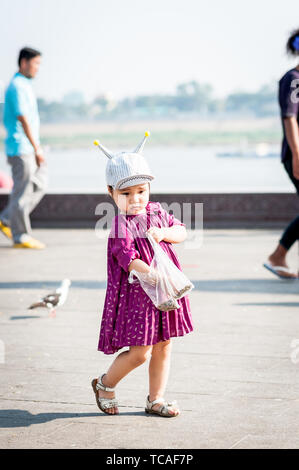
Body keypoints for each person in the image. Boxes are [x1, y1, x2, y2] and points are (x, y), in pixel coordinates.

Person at [91, 133, 193, 417]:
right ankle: (105, 384)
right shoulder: (120, 225)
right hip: (140, 296)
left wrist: (164, 233)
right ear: (110, 192)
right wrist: (150, 274)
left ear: (149, 188)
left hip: (164, 292)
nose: (135, 200)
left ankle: (156, 399)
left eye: (141, 191)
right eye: (126, 194)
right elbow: (127, 259)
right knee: (140, 351)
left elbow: (181, 231)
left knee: (164, 344)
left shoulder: (158, 212)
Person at [0, 47, 47, 249]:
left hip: (29, 147)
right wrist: (36, 148)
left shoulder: (24, 85)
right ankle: (20, 236)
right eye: (35, 63)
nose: (37, 68)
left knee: (40, 183)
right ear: (24, 62)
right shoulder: (17, 86)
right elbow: (22, 118)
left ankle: (8, 218)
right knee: (21, 191)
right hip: (21, 148)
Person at [264, 29, 299, 279]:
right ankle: (278, 254)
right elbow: (290, 119)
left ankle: (279, 254)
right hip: (296, 155)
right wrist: (297, 155)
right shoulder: (293, 79)